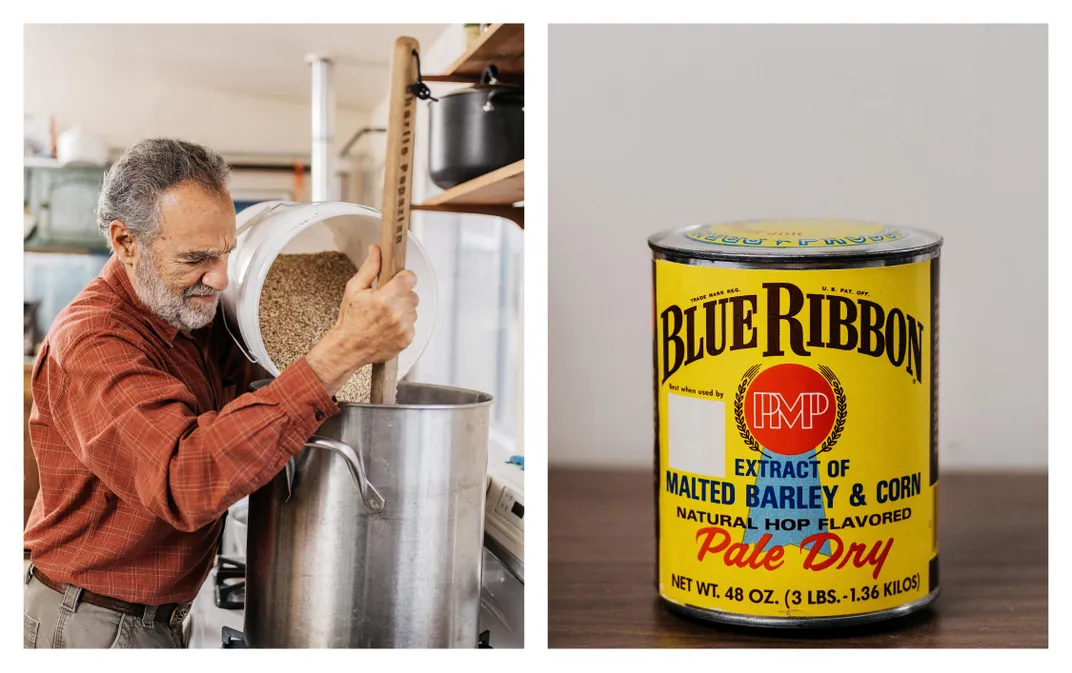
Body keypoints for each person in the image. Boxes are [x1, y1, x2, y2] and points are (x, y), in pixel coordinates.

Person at [23, 138, 418, 648]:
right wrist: (340, 349)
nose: (220, 277)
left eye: (227, 253)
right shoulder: (94, 341)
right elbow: (185, 479)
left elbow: (261, 388)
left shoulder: (185, 313)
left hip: (147, 616)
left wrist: (353, 335)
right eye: (197, 258)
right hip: (88, 624)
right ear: (125, 243)